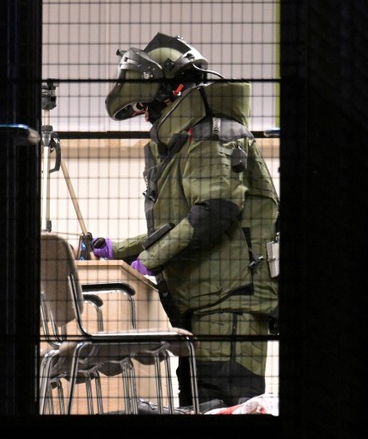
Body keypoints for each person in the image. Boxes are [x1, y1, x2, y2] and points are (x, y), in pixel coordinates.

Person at [93, 32, 279, 410]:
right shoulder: (190, 139)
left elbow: (216, 211)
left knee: (225, 404)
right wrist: (120, 251)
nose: (144, 114)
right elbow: (181, 225)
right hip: (207, 301)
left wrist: (152, 259)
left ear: (163, 90)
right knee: (199, 405)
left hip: (229, 303)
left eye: (145, 107)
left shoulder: (211, 134)